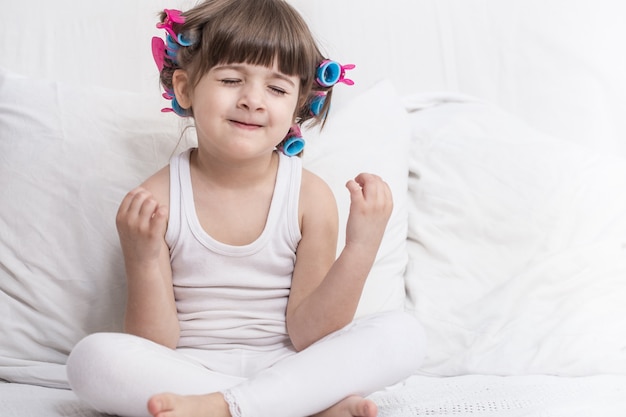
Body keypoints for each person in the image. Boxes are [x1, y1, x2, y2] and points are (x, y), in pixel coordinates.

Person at [66, 1, 426, 416]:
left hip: (292, 365)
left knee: (404, 334)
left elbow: (312, 335)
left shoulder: (309, 197)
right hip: (189, 371)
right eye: (232, 79)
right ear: (185, 88)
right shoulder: (158, 198)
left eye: (276, 88)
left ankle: (229, 408)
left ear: (298, 105)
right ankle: (292, 407)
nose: (253, 101)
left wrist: (362, 246)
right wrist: (144, 256)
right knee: (91, 360)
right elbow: (155, 343)